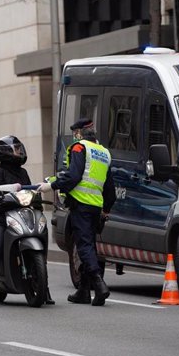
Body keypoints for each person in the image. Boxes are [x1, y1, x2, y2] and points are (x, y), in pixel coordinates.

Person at [37, 118, 116, 306]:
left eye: (75, 133)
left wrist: (52, 186)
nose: (74, 136)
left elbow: (73, 176)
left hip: (80, 204)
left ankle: (99, 284)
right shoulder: (104, 153)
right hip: (96, 206)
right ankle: (82, 291)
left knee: (84, 246)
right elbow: (110, 188)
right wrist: (106, 210)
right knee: (89, 246)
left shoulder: (80, 148)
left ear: (80, 133)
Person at [0, 135, 54, 307]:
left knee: (41, 242)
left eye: (20, 148)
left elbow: (29, 192)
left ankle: (45, 288)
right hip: (1, 217)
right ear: (5, 152)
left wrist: (37, 192)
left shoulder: (23, 173)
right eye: (16, 149)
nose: (20, 152)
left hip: (22, 214)